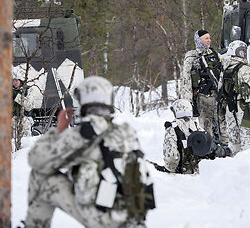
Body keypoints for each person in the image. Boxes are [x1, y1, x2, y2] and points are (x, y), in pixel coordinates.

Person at [25, 76, 155, 228]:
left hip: (105, 219)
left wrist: (58, 131)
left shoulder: (83, 134)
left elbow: (36, 160)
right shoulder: (125, 133)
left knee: (40, 176)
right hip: (132, 217)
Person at [221, 40, 250, 155]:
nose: (243, 54)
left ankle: (235, 164)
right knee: (248, 138)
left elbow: (220, 89)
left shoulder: (225, 69)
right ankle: (249, 164)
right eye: (241, 51)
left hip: (229, 109)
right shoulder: (244, 69)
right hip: (244, 109)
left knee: (233, 138)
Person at [181, 30, 227, 142]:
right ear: (199, 40)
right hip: (203, 97)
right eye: (206, 38)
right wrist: (188, 102)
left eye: (209, 38)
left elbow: (225, 64)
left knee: (223, 123)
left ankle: (226, 148)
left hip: (218, 95)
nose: (209, 40)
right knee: (206, 125)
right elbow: (186, 81)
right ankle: (209, 149)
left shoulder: (214, 53)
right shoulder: (191, 57)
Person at [163, 99, 231, 174]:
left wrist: (171, 169)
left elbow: (171, 157)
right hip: (199, 170)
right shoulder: (195, 125)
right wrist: (223, 151)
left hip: (181, 172)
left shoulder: (172, 128)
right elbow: (208, 144)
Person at [12, 68, 34, 139]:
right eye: (13, 81)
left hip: (24, 120)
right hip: (12, 121)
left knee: (25, 143)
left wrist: (16, 95)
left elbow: (28, 106)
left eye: (16, 80)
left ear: (21, 81)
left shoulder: (28, 90)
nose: (14, 83)